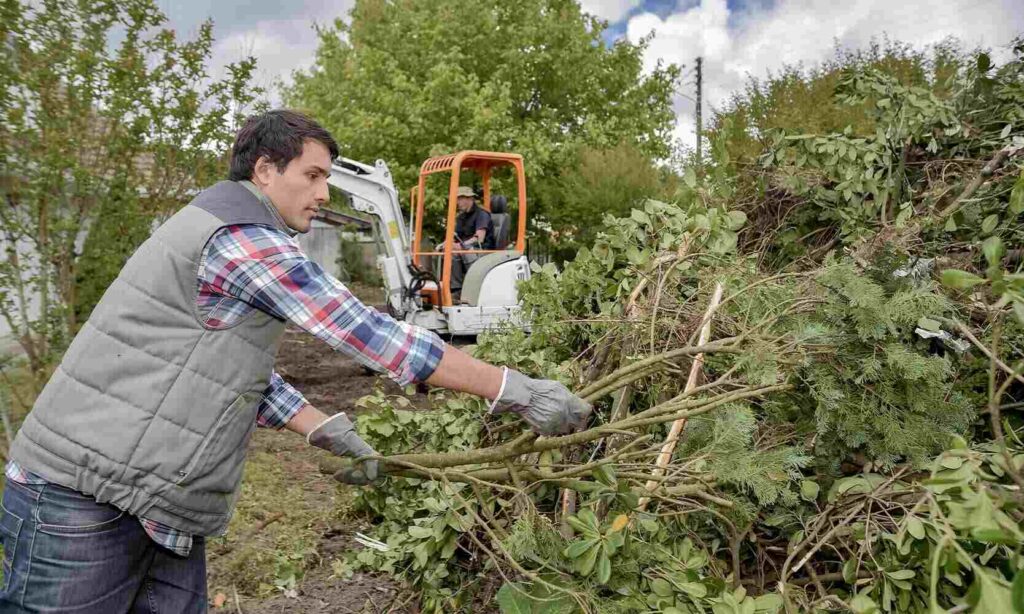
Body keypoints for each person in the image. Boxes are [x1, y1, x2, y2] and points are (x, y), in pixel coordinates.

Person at [0, 110, 590, 613]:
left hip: (151, 502)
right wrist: (515, 388)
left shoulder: (228, 227)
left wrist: (321, 427)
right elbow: (366, 332)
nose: (324, 192)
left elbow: (226, 364)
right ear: (264, 170)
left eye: (327, 178)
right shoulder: (241, 236)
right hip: (79, 501)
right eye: (312, 175)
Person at [447, 186, 494, 293]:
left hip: (484, 251)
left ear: (470, 199)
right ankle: (453, 289)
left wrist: (462, 246)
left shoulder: (482, 214)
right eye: (457, 199)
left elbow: (479, 238)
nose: (458, 202)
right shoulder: (461, 217)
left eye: (460, 199)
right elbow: (455, 237)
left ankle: (469, 288)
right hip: (467, 249)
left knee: (465, 252)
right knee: (447, 252)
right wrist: (446, 244)